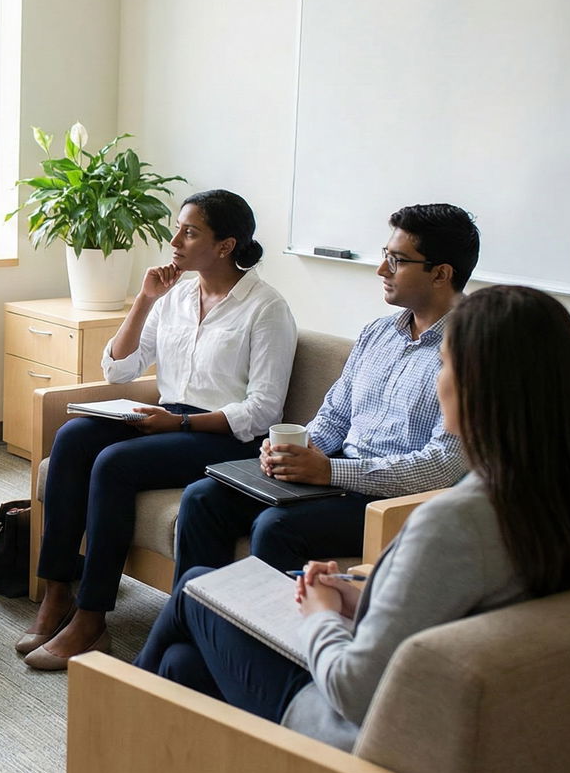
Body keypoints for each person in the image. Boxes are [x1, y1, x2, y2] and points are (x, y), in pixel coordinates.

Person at [133, 285, 570, 750]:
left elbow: (354, 691)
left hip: (355, 731)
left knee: (197, 589)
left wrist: (321, 614)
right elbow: (470, 601)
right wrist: (362, 595)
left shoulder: (456, 521)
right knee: (184, 662)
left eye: (446, 366)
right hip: (436, 710)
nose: (438, 381)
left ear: (481, 387)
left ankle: (115, 730)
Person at [19, 190, 297, 671]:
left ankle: (92, 617)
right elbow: (119, 370)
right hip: (169, 419)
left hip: (223, 436)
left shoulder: (266, 308)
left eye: (189, 231)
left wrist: (182, 421)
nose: (175, 240)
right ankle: (57, 591)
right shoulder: (177, 296)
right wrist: (145, 301)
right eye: (178, 228)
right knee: (73, 438)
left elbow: (263, 410)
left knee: (114, 463)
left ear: (226, 245)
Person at [170, 203, 481, 580]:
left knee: (275, 526)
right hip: (335, 477)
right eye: (385, 256)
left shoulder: (471, 350)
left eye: (397, 261)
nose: (382, 269)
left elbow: (442, 465)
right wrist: (294, 449)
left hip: (392, 501)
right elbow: (334, 415)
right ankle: (198, 626)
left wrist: (331, 471)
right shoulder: (377, 333)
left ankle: (259, 636)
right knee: (203, 498)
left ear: (441, 274)